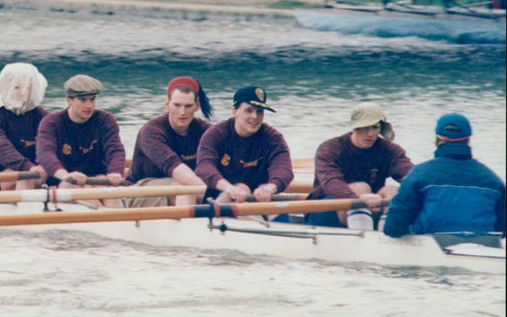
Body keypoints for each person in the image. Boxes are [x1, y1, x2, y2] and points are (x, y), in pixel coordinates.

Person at [384, 113, 506, 238]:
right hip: (485, 249)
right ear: (468, 139)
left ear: (438, 139)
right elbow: (503, 229)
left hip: (430, 248)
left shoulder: (419, 174)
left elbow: (393, 228)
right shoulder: (494, 181)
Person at [307, 102, 413, 230]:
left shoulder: (389, 150)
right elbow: (331, 182)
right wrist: (357, 197)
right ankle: (366, 239)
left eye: (375, 127)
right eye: (365, 127)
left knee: (392, 190)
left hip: (370, 207)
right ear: (354, 127)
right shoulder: (330, 148)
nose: (370, 134)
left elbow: (410, 175)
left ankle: (386, 235)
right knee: (360, 187)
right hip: (326, 210)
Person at [35, 74, 126, 207]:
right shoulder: (52, 122)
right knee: (72, 185)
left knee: (104, 186)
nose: (89, 105)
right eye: (83, 100)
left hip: (96, 180)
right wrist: (65, 175)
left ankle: (119, 220)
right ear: (68, 100)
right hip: (63, 182)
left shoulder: (105, 119)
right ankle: (104, 216)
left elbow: (115, 149)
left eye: (92, 99)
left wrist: (115, 172)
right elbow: (45, 153)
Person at [195, 86, 293, 204]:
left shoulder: (273, 138)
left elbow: (284, 169)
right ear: (235, 111)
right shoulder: (216, 134)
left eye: (259, 111)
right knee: (241, 188)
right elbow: (204, 167)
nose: (255, 117)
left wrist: (270, 187)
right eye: (249, 110)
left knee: (264, 192)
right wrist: (229, 188)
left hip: (260, 199)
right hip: (218, 199)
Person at [126, 76, 212, 207]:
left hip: (189, 189)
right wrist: (209, 189)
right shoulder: (151, 131)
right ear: (167, 104)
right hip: (138, 191)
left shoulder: (205, 130)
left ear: (197, 106)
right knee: (186, 187)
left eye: (188, 106)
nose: (182, 112)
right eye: (177, 105)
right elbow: (175, 169)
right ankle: (189, 226)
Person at [0, 62, 49, 191]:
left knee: (38, 175)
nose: (23, 93)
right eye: (17, 88)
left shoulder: (41, 116)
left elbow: (53, 142)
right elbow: (1, 148)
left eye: (27, 88)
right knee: (26, 176)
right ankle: (25, 209)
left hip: (32, 173)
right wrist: (27, 166)